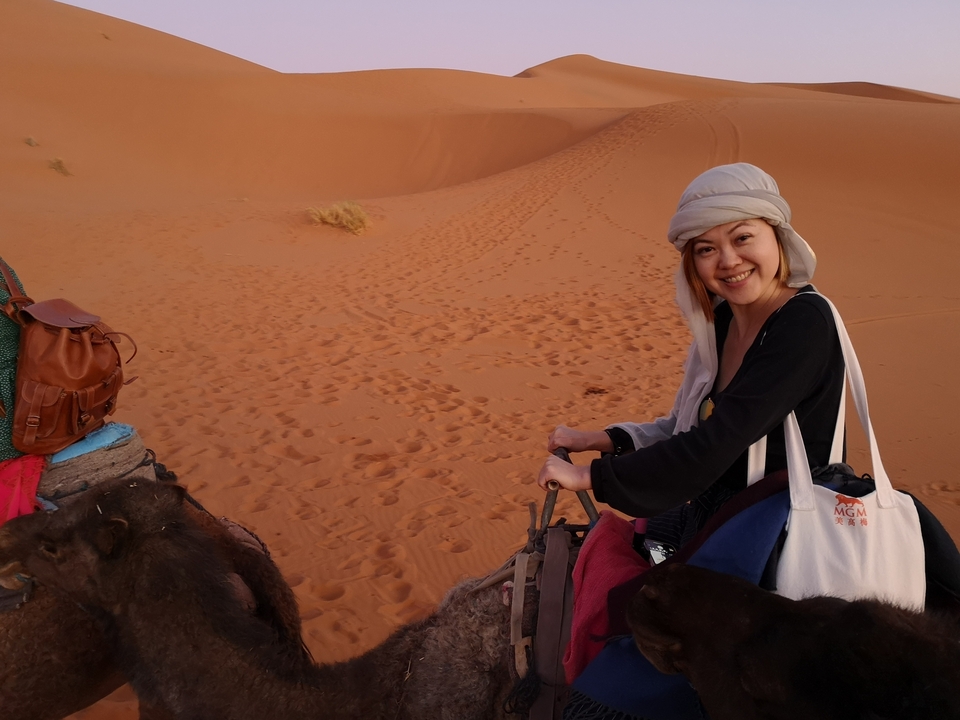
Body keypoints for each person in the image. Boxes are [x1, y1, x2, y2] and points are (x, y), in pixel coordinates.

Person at [536, 163, 845, 548]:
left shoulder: (803, 322)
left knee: (622, 580)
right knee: (611, 547)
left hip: (781, 534)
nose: (729, 261)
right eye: (706, 249)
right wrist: (598, 440)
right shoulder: (724, 321)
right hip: (719, 514)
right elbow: (686, 427)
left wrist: (590, 477)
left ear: (778, 237)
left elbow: (714, 444)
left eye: (743, 237)